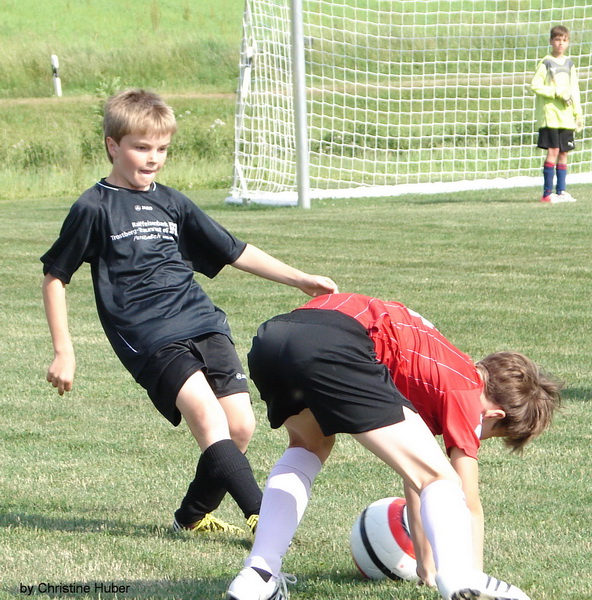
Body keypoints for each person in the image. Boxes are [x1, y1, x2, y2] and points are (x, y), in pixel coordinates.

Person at [41, 88, 338, 537]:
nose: (153, 158)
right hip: (148, 334)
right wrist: (64, 350)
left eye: (162, 148)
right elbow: (55, 277)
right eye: (142, 147)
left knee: (240, 427)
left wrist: (299, 279)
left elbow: (233, 250)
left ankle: (191, 517)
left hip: (203, 321)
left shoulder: (173, 202)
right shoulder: (93, 207)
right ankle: (264, 518)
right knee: (208, 418)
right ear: (112, 146)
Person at [227, 293, 561, 600]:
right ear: (494, 415)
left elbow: (414, 480)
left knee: (308, 446)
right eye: (488, 434)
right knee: (443, 479)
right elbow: (467, 502)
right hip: (334, 343)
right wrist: (470, 572)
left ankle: (258, 574)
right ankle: (461, 577)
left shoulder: (442, 364)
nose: (476, 439)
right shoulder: (466, 389)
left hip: (276, 337)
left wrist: (426, 568)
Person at [531, 25, 583, 204]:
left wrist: (578, 113)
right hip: (551, 116)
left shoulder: (569, 64)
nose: (560, 43)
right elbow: (535, 86)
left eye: (564, 40)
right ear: (551, 41)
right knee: (553, 151)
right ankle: (547, 194)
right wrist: (556, 92)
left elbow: (574, 89)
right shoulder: (546, 63)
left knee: (564, 153)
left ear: (568, 43)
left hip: (566, 117)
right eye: (557, 40)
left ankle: (561, 191)